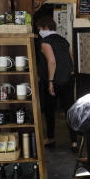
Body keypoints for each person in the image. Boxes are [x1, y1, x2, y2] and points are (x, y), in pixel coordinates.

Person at [35, 16, 75, 148]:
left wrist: (51, 82)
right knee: (69, 110)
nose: (39, 30)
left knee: (49, 110)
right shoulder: (63, 40)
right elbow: (71, 59)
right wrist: (69, 74)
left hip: (53, 80)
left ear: (44, 27)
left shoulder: (45, 41)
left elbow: (51, 62)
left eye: (39, 28)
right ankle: (74, 141)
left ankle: (51, 138)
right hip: (68, 79)